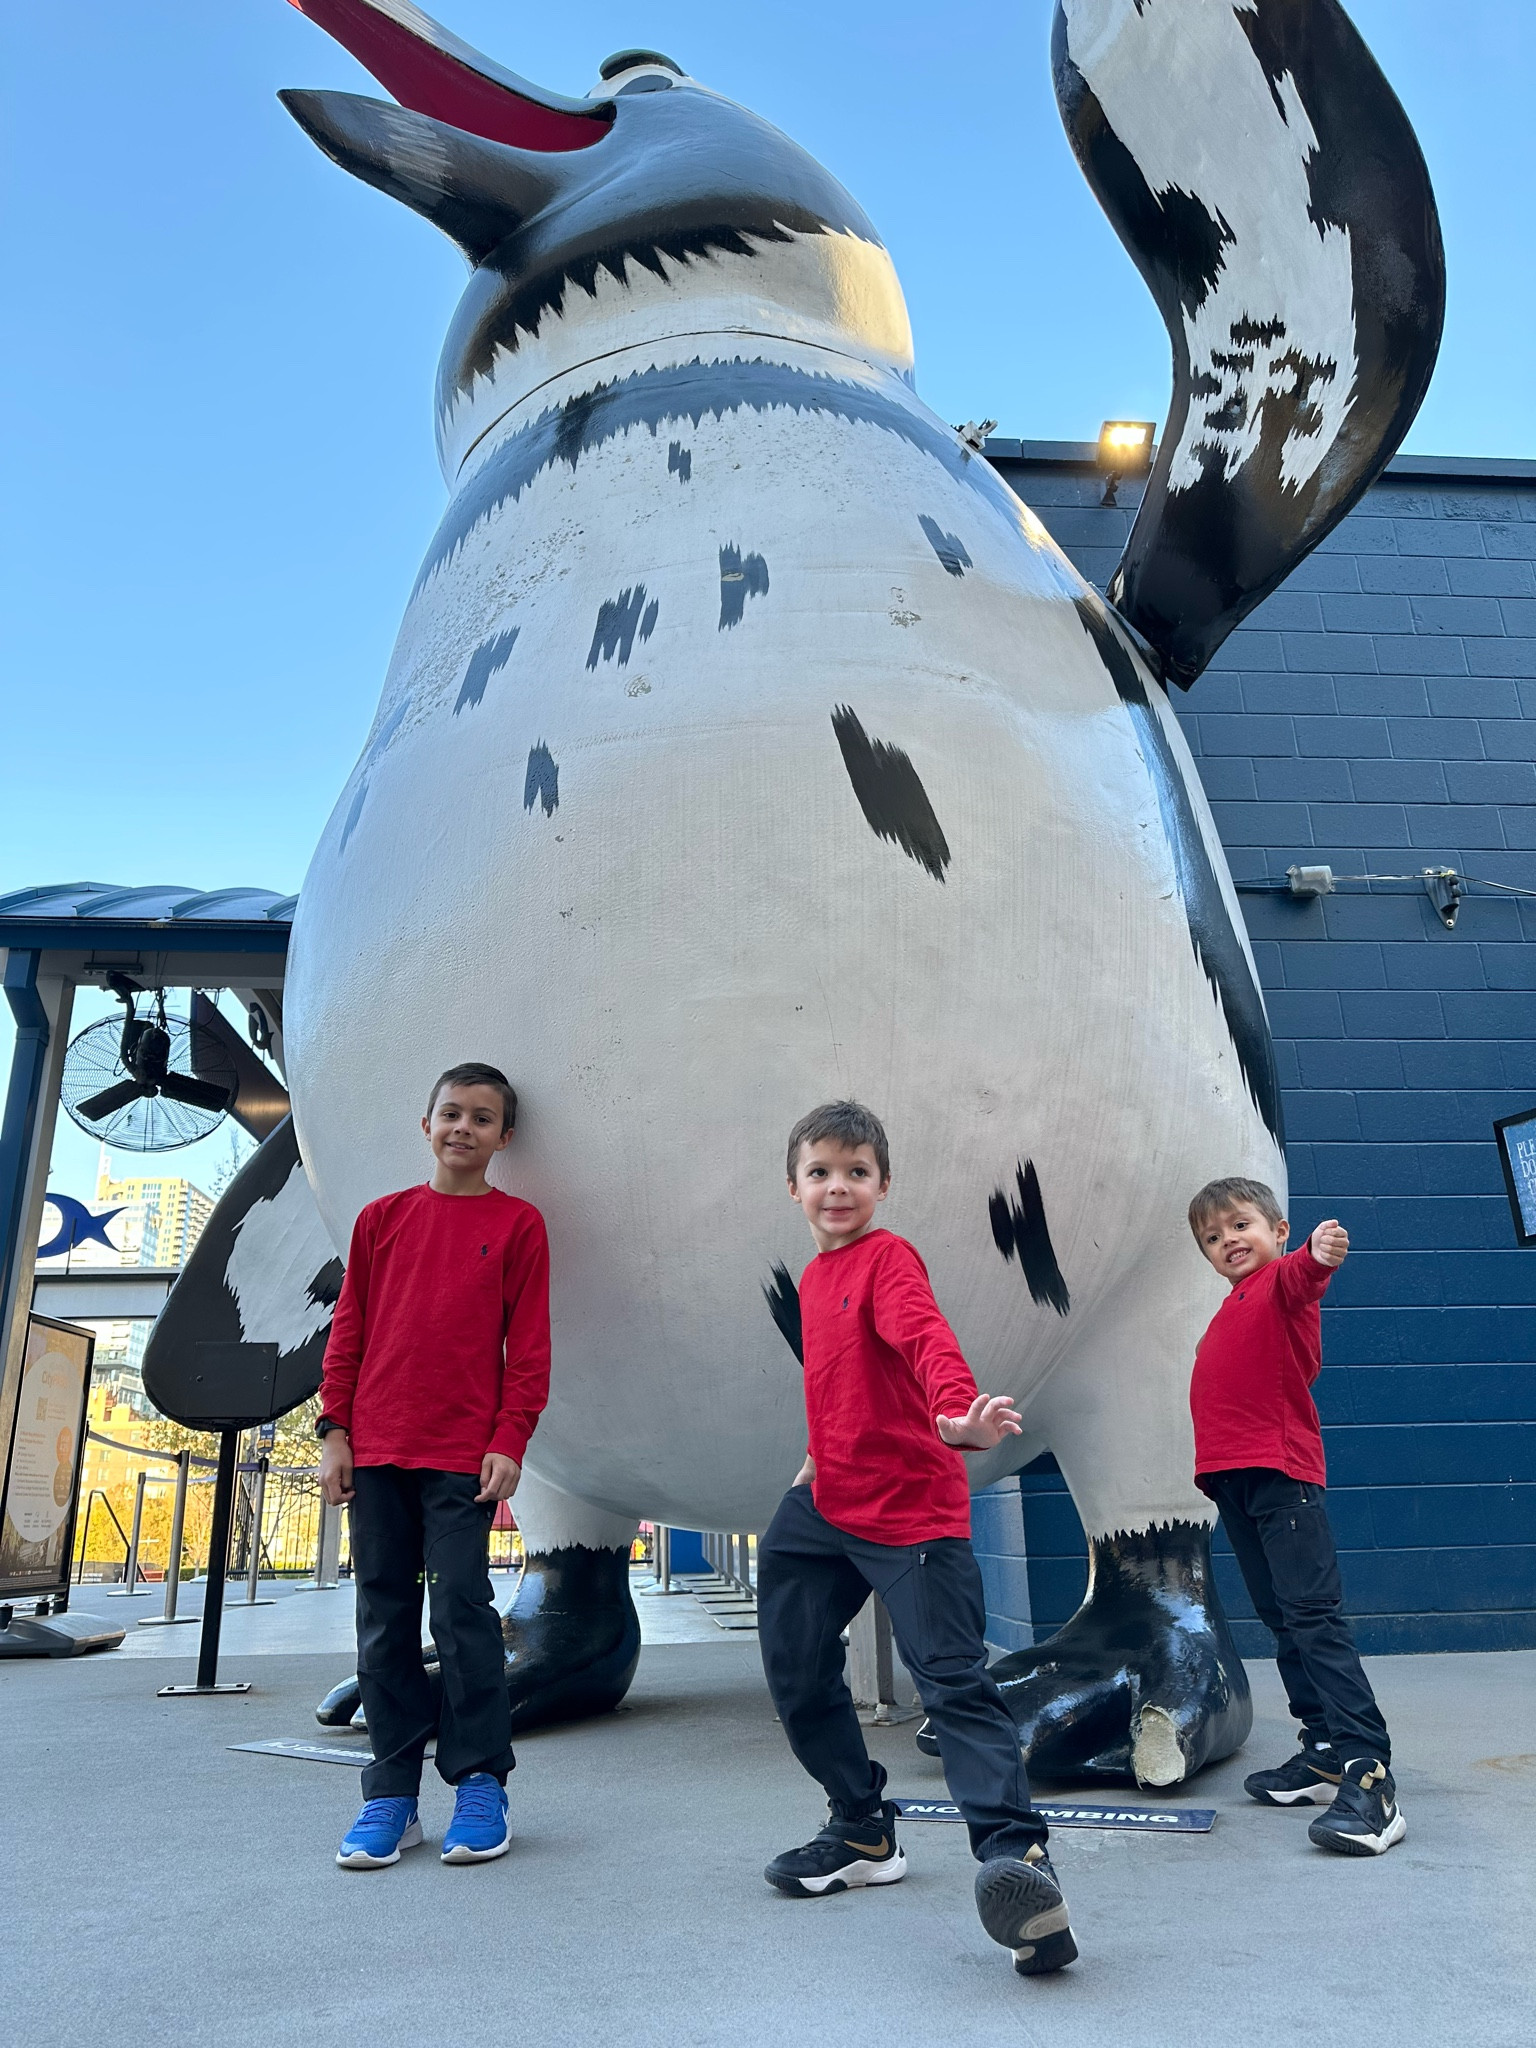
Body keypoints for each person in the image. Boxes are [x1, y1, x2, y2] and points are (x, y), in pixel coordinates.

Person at [756, 1100, 1075, 1978]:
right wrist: (813, 1457)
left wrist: (958, 1417)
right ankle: (862, 1829)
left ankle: (1023, 1869)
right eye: (820, 1172)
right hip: (825, 1502)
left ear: (883, 1185)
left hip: (910, 1512)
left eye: (857, 1173)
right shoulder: (816, 1279)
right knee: (792, 1664)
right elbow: (845, 1383)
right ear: (794, 1187)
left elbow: (922, 1339)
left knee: (953, 1685)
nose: (838, 1187)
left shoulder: (888, 1258)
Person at [317, 1061, 550, 1871]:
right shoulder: (381, 1219)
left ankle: (482, 1783)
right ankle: (390, 1796)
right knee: (382, 1620)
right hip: (375, 1450)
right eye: (451, 1113)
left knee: (462, 1613)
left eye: (482, 1119)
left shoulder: (520, 1225)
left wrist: (510, 1438)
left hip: (462, 1456)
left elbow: (530, 1348)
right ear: (426, 1125)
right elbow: (347, 1332)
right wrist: (333, 1431)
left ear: (504, 1138)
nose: (463, 1128)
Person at [1187, 1176, 1404, 1856]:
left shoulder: (1283, 1280)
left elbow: (1309, 1273)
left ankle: (1370, 1775)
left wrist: (1319, 1250)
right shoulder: (1232, 1304)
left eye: (1241, 1225)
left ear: (1276, 1231)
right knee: (1283, 1619)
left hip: (1282, 1478)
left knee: (1314, 1618)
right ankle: (1322, 1751)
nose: (1228, 1241)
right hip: (1236, 1484)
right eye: (1213, 1237)